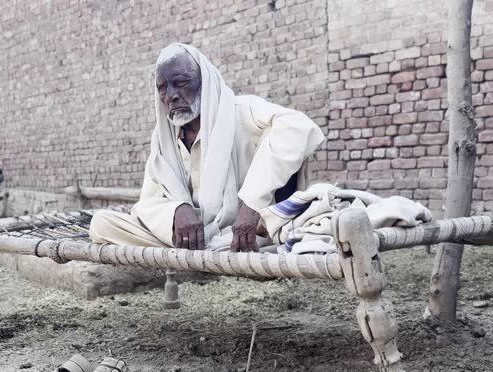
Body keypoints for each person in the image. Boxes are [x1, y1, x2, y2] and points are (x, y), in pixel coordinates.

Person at [88, 43, 324, 252]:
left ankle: (212, 248)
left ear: (204, 82)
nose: (171, 96)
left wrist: (251, 203)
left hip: (247, 226)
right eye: (162, 88)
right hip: (192, 235)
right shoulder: (163, 139)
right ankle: (196, 248)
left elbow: (299, 127)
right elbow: (146, 204)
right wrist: (177, 210)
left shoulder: (240, 110)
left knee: (281, 134)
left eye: (181, 83)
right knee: (101, 223)